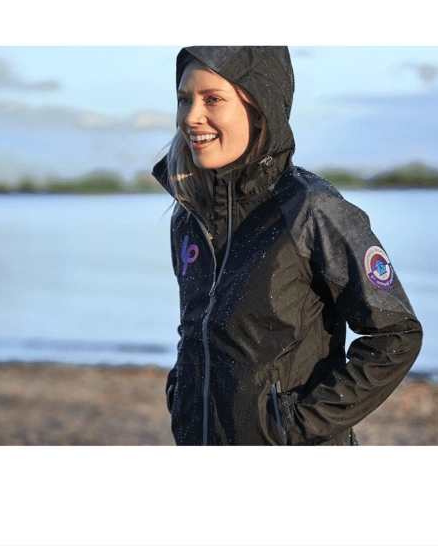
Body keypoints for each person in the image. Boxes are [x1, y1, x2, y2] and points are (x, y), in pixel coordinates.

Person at [152, 46, 423, 446]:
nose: (191, 117)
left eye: (212, 99)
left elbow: (396, 335)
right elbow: (197, 329)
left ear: (259, 108)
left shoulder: (311, 210)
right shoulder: (190, 216)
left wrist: (296, 428)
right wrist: (182, 395)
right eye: (184, 99)